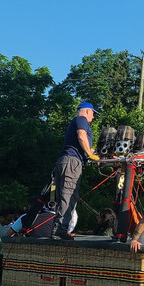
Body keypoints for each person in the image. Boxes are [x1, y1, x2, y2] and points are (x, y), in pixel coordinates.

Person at [50, 102, 99, 240]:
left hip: (65, 160)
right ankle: (61, 228)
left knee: (62, 196)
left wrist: (92, 152)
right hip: (72, 162)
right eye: (93, 113)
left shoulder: (76, 122)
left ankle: (56, 229)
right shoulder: (81, 119)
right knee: (69, 195)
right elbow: (82, 136)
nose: (93, 117)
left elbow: (79, 143)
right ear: (88, 111)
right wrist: (89, 153)